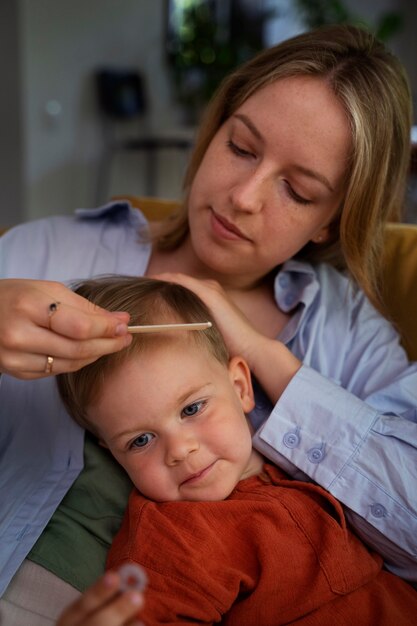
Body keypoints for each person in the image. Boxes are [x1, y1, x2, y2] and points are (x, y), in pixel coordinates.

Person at [0, 22, 416, 623]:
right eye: (241, 148)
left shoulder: (348, 334)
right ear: (213, 130)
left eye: (297, 191)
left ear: (331, 219)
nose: (243, 196)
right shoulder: (51, 253)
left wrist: (268, 358)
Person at [55, 274, 417, 626]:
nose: (180, 450)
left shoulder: (305, 462)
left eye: (192, 408)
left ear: (241, 386)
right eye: (140, 440)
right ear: (112, 451)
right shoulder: (171, 539)